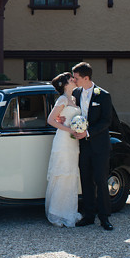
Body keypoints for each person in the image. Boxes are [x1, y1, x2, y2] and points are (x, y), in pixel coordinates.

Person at [72, 62, 115, 231]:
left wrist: (88, 133)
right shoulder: (76, 92)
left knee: (100, 180)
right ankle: (89, 216)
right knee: (86, 180)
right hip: (82, 145)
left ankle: (104, 217)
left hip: (99, 145)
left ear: (86, 78)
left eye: (76, 78)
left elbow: (107, 121)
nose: (74, 80)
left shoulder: (103, 95)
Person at [44, 72, 82, 227]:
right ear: (66, 83)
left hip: (73, 142)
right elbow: (51, 120)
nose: (74, 80)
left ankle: (70, 211)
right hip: (64, 141)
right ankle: (57, 212)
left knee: (71, 174)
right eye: (71, 78)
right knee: (62, 173)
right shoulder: (63, 99)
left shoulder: (73, 99)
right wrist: (70, 130)